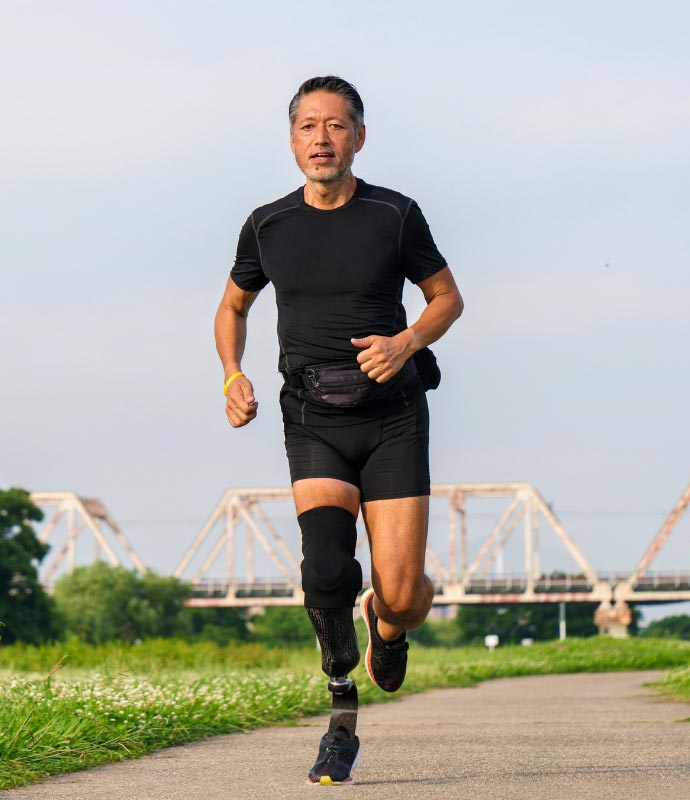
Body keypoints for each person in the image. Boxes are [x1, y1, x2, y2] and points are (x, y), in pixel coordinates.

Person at [213, 75, 464, 784]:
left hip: (392, 416)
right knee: (324, 567)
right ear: (292, 139)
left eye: (336, 126)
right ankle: (340, 712)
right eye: (308, 126)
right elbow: (232, 308)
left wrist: (406, 342)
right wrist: (232, 375)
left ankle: (388, 622)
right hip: (312, 414)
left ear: (359, 136)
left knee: (405, 594)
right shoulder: (268, 225)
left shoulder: (394, 215)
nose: (322, 139)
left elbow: (447, 297)